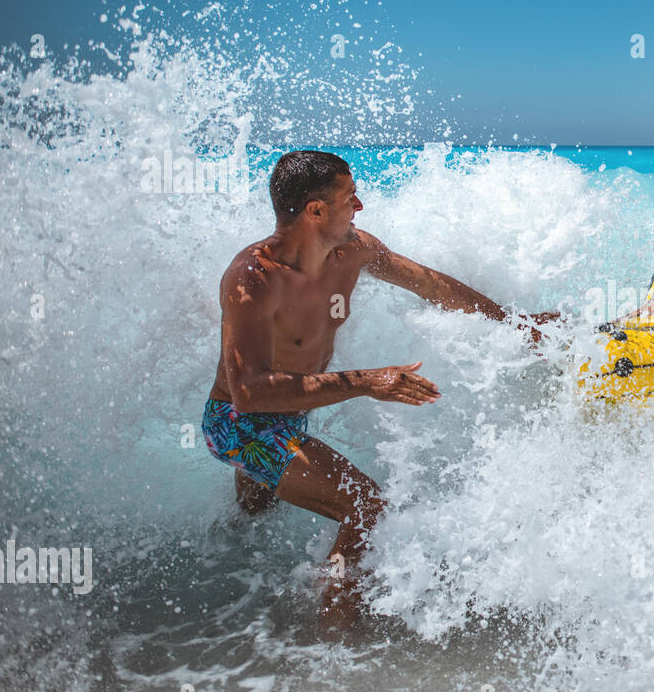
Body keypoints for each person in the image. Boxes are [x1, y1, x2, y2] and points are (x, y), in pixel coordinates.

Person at [200, 150, 556, 626]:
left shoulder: (353, 250)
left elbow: (431, 285)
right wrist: (367, 381)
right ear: (316, 211)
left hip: (292, 414)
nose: (360, 205)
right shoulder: (253, 278)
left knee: (252, 519)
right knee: (364, 506)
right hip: (238, 423)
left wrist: (513, 323)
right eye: (350, 197)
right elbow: (249, 394)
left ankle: (224, 580)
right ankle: (335, 643)